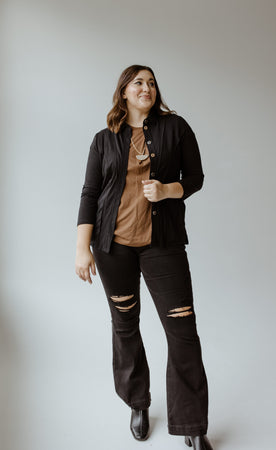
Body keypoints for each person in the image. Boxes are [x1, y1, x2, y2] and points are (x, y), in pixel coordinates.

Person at [75, 64, 213, 450]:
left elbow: (196, 177)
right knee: (125, 326)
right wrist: (81, 247)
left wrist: (170, 190)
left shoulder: (176, 127)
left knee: (183, 332)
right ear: (123, 92)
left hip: (162, 244)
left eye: (152, 83)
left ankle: (192, 424)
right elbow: (90, 193)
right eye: (138, 82)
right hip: (112, 247)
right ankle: (137, 402)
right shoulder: (104, 139)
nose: (146, 88)